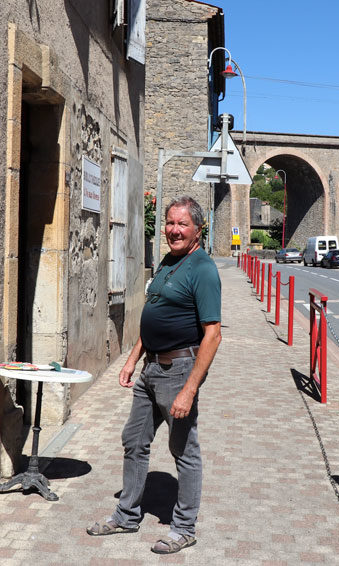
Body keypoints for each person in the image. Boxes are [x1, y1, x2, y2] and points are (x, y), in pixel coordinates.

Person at [87, 195, 222, 555]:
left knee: (183, 449)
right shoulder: (168, 261)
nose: (174, 230)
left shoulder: (203, 269)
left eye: (182, 224)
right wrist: (132, 359)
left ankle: (183, 528)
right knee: (134, 439)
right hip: (151, 370)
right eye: (170, 223)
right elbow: (155, 314)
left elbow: (213, 334)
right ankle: (127, 515)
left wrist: (189, 390)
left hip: (178, 371)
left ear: (198, 229)